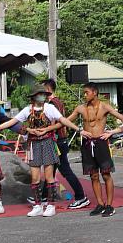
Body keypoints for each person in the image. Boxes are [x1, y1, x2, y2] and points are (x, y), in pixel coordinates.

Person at [0, 85, 83, 217]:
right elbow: (13, 122)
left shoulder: (50, 108)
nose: (43, 96)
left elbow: (63, 120)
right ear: (34, 97)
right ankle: (38, 205)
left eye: (44, 94)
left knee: (49, 176)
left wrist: (78, 129)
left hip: (48, 142)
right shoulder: (28, 110)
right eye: (40, 94)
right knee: (35, 177)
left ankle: (50, 205)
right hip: (33, 144)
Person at [66, 82, 123, 217]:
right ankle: (100, 204)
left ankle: (109, 205)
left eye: (87, 92)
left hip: (101, 143)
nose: (84, 95)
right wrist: (79, 130)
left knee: (106, 174)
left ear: (94, 92)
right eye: (84, 93)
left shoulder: (105, 107)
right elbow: (65, 121)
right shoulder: (80, 108)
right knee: (93, 175)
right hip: (87, 144)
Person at [34, 78, 89, 210]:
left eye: (42, 90)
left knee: (64, 170)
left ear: (47, 89)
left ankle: (81, 196)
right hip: (59, 140)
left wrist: (43, 130)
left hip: (57, 141)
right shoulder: (57, 102)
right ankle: (43, 197)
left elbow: (55, 123)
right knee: (50, 170)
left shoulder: (52, 104)